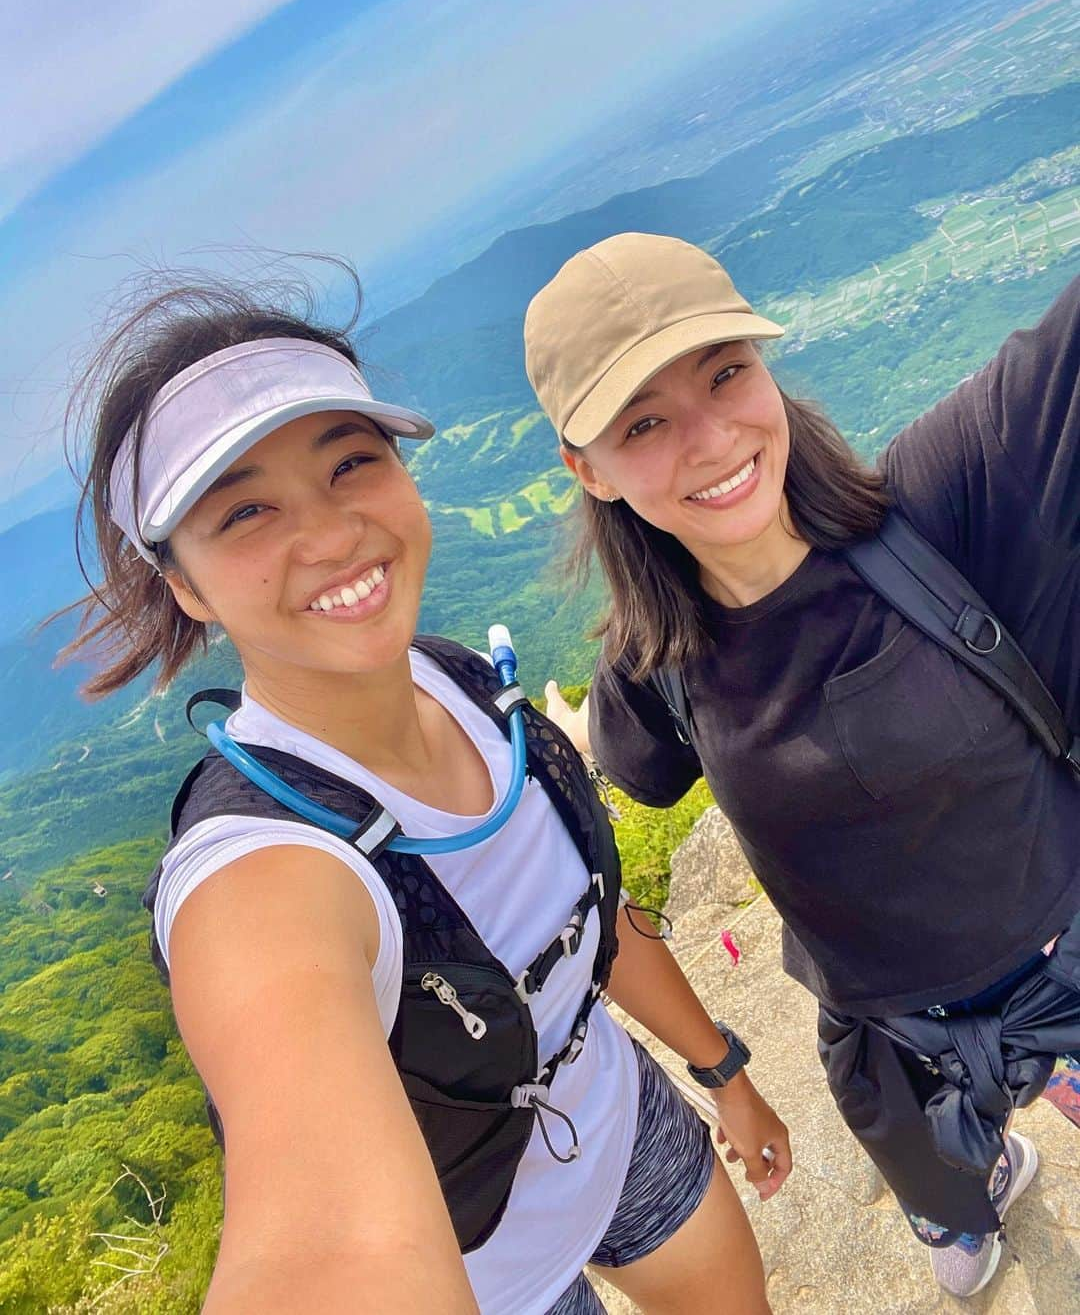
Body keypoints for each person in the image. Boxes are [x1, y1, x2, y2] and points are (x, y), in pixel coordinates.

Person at [61, 271, 792, 1315]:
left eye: (351, 462)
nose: (329, 532)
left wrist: (725, 1073)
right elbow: (328, 1256)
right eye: (246, 510)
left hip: (624, 1124)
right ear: (184, 585)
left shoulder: (456, 682)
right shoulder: (261, 876)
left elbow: (588, 921)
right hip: (494, 1275)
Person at [524, 232, 1080, 1300]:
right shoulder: (655, 660)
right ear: (586, 468)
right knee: (958, 1241)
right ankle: (981, 1180)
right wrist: (570, 730)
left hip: (1066, 957)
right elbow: (634, 766)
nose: (710, 437)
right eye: (644, 423)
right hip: (896, 1048)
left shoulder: (946, 501)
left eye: (725, 372)